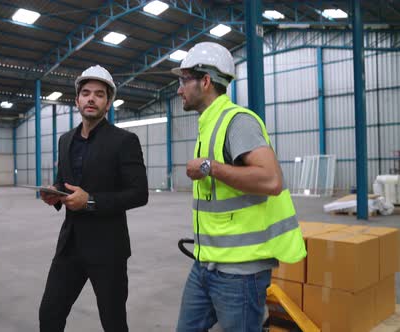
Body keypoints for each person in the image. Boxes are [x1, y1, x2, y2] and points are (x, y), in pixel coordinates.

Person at [172, 42, 307, 332]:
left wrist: (210, 167)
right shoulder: (208, 124)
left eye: (184, 81)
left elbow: (271, 180)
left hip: (239, 273)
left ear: (205, 81)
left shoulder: (237, 122)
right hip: (207, 264)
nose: (179, 89)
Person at [38, 65, 149, 332]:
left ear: (108, 102)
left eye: (99, 94)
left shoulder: (124, 141)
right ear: (76, 100)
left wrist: (90, 201)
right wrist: (55, 193)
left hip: (108, 249)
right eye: (86, 93)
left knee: (113, 322)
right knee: (49, 314)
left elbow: (139, 193)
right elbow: (64, 180)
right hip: (70, 246)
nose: (91, 99)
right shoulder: (65, 141)